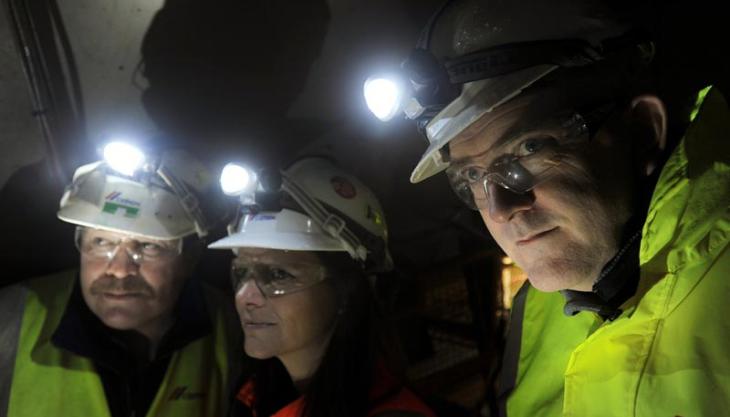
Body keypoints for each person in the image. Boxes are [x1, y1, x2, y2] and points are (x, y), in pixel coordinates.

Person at [364, 0, 730, 415]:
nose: (501, 209)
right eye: (471, 177)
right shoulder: (537, 308)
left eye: (530, 147)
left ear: (644, 129)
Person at [0, 144, 243, 417]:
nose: (119, 269)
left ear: (191, 257)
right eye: (102, 242)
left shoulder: (235, 328)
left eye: (149, 247)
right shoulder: (12, 319)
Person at [208, 157, 437, 417]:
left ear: (346, 292)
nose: (245, 296)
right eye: (241, 272)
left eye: (278, 274)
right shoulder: (256, 398)